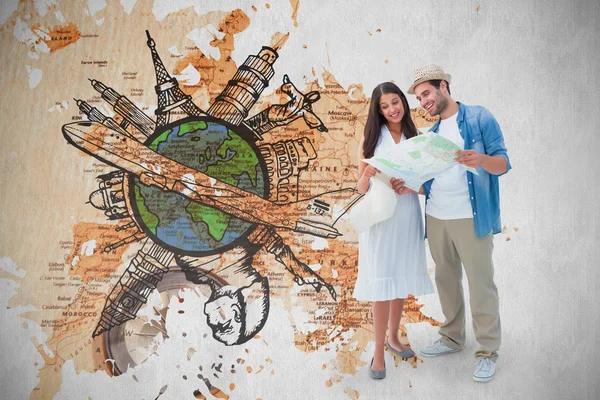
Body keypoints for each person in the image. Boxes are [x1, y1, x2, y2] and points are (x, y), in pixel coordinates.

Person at [405, 65, 511, 382]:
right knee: (446, 282)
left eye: (425, 93)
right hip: (437, 218)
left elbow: (503, 163)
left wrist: (479, 160)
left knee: (481, 286)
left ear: (442, 86)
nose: (422, 101)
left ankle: (487, 352)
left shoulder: (479, 118)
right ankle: (452, 339)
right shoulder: (431, 136)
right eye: (419, 98)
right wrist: (409, 184)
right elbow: (430, 182)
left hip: (470, 218)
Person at [353, 82, 434, 379]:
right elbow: (360, 188)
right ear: (378, 110)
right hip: (381, 217)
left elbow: (426, 186)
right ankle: (377, 353)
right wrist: (367, 172)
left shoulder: (418, 137)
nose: (391, 109)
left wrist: (410, 185)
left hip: (407, 214)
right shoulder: (370, 140)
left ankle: (394, 338)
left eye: (395, 102)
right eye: (384, 106)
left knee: (399, 278)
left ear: (403, 102)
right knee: (382, 283)